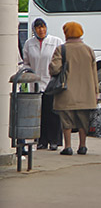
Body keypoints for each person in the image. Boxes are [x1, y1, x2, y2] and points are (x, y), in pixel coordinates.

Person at [49, 22, 98, 156]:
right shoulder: (88, 50)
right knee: (83, 120)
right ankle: (82, 146)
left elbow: (55, 69)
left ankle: (68, 147)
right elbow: (94, 73)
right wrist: (95, 92)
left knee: (67, 120)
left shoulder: (61, 49)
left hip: (67, 91)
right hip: (86, 93)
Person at [22, 18, 64, 151]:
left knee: (52, 112)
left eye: (43, 27)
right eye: (38, 28)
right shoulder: (29, 44)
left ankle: (54, 140)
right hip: (35, 83)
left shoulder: (56, 41)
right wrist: (29, 73)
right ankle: (41, 140)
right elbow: (26, 62)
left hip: (51, 82)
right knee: (40, 114)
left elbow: (61, 60)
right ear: (34, 30)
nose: (41, 30)